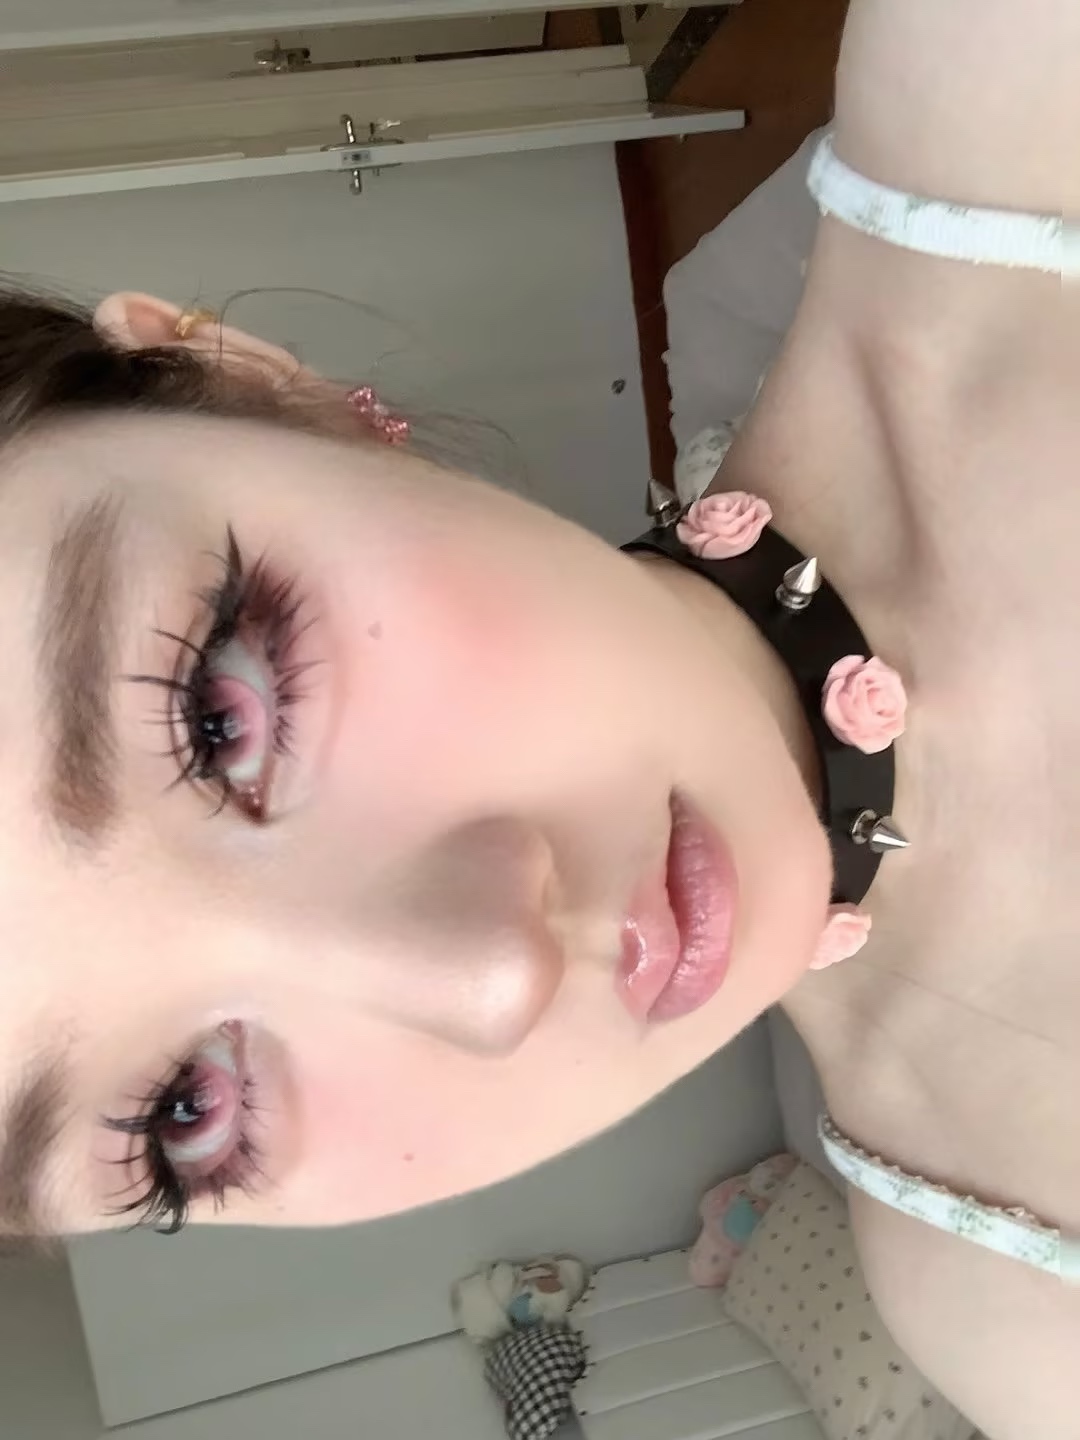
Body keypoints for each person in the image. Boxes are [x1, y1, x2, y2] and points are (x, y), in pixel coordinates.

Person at [0, 1, 1072, 1434]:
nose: (492, 979)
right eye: (181, 1112)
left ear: (253, 386)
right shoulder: (1017, 1317)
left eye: (215, 715)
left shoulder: (1008, 70)